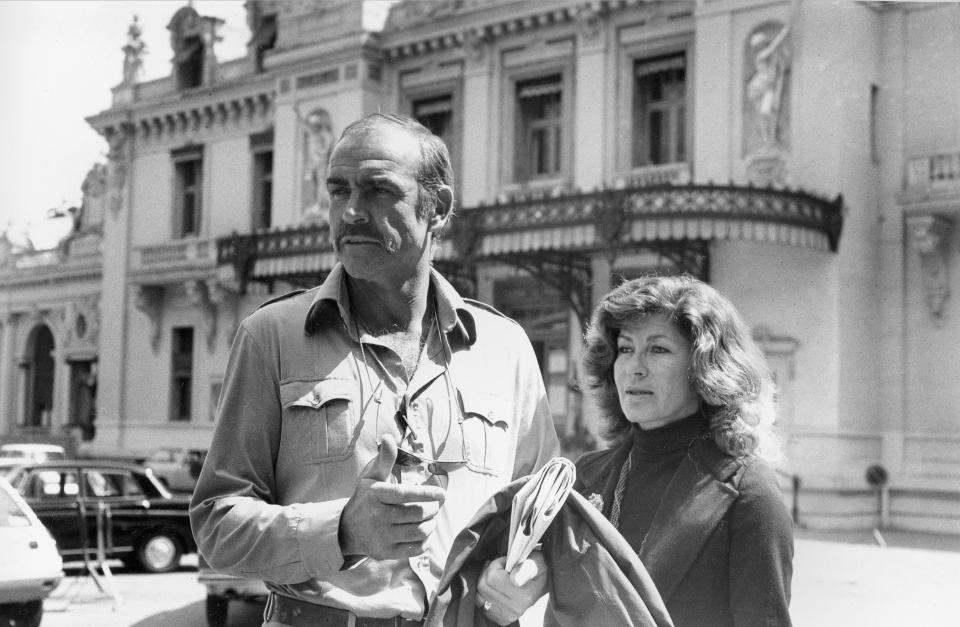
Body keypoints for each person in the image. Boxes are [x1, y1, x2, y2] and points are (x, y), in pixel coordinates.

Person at [190, 113, 559, 627]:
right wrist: (341, 530)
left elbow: (543, 515)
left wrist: (530, 577)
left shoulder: (506, 347)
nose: (352, 212)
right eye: (338, 191)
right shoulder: (270, 337)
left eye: (378, 190)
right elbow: (216, 523)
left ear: (439, 208)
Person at [572, 274, 793, 626]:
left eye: (658, 349)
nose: (634, 367)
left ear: (705, 369)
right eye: (626, 348)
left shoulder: (749, 492)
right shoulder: (586, 477)